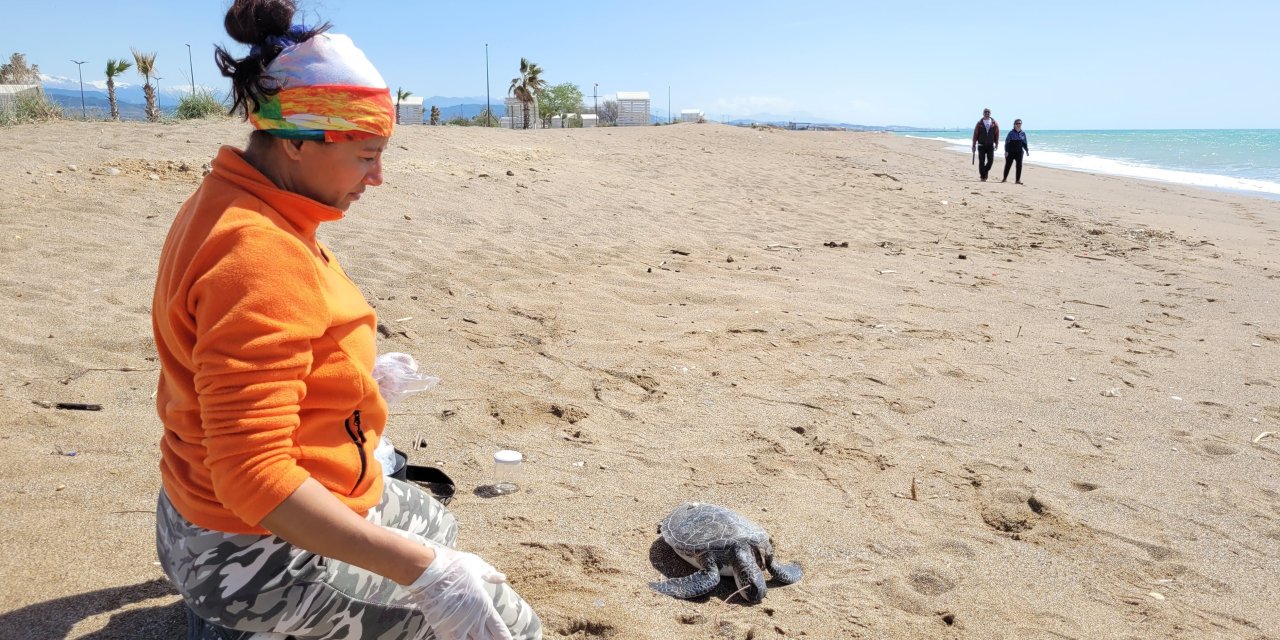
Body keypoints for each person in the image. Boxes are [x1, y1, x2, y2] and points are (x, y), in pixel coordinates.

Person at [150, 1, 542, 638]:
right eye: (365, 155)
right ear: (299, 141)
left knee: (435, 519)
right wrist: (428, 575)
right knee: (502, 622)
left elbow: (224, 357)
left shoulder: (232, 199)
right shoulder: (260, 252)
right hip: (246, 549)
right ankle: (239, 618)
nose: (378, 177)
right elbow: (254, 475)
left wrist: (348, 374)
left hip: (193, 511)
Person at [971, 108, 999, 181]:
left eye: (988, 112)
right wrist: (973, 145)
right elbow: (975, 134)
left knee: (990, 161)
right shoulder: (979, 123)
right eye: (985, 112)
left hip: (990, 145)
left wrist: (996, 143)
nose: (987, 113)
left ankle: (984, 172)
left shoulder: (994, 123)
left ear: (990, 113)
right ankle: (983, 177)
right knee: (981, 161)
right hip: (981, 145)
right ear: (983, 113)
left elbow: (996, 134)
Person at [1002, 118, 1030, 184]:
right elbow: (1007, 142)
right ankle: (1004, 178)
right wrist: (1006, 151)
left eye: (1019, 123)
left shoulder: (1023, 133)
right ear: (1014, 125)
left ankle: (1017, 180)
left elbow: (1024, 142)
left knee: (1019, 166)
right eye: (1017, 123)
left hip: (1019, 152)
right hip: (1010, 152)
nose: (1018, 125)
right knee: (1008, 165)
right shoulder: (1011, 133)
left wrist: (1026, 151)